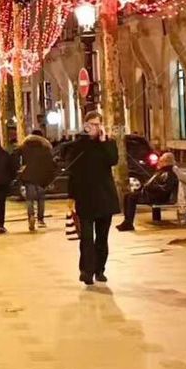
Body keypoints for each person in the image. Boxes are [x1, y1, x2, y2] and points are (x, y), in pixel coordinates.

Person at [65, 112, 119, 285]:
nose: (94, 127)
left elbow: (113, 160)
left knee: (102, 238)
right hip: (85, 197)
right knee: (87, 238)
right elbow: (72, 172)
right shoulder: (78, 145)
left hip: (105, 198)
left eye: (97, 124)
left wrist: (104, 142)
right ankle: (86, 271)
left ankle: (99, 270)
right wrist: (71, 196)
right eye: (91, 124)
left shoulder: (108, 144)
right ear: (85, 125)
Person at [117, 152, 186, 228]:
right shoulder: (163, 171)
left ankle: (128, 222)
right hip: (152, 194)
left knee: (131, 197)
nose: (158, 163)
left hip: (157, 196)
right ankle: (127, 221)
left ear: (165, 162)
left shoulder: (171, 172)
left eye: (160, 161)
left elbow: (165, 188)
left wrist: (151, 187)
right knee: (129, 196)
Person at [17, 129, 56, 231]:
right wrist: (51, 178)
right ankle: (40, 219)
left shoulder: (24, 147)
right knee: (41, 199)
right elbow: (50, 165)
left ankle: (31, 216)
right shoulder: (45, 148)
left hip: (28, 176)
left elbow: (16, 157)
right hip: (42, 177)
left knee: (30, 199)